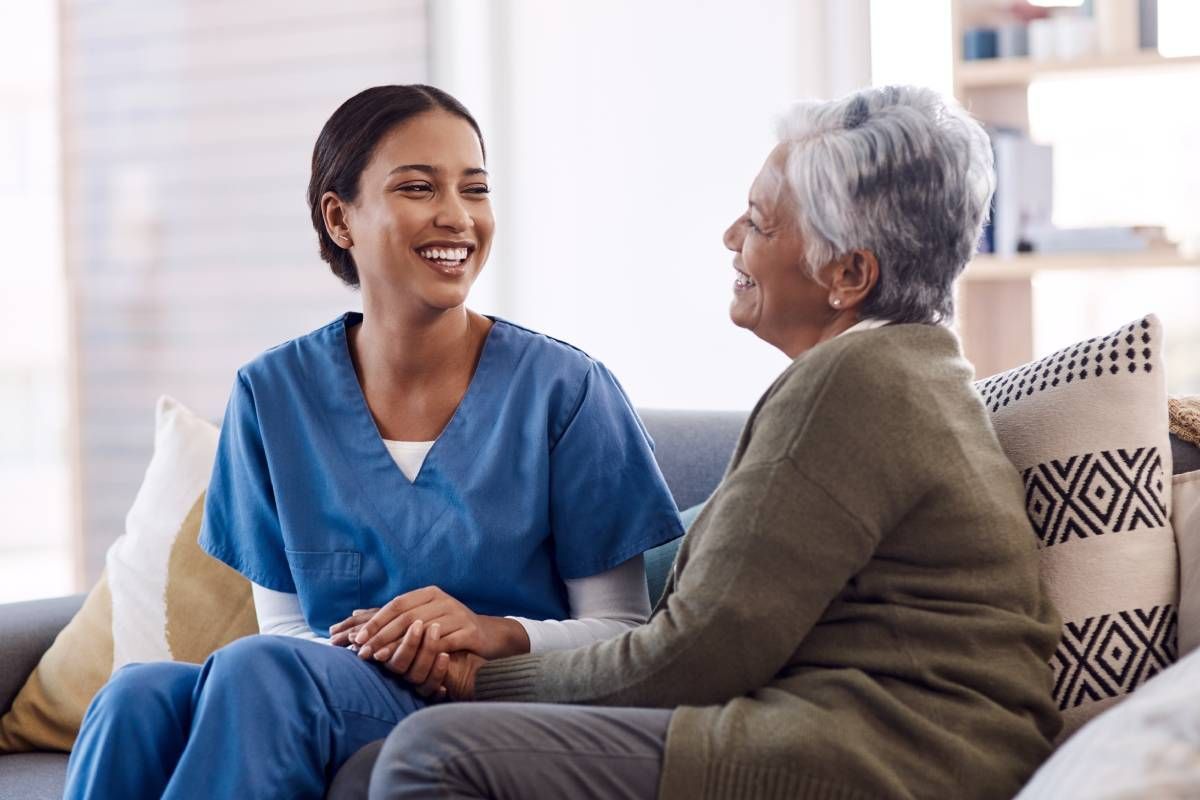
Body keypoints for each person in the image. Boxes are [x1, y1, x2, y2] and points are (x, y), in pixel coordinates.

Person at [359, 85, 1064, 800]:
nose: (732, 236)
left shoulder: (853, 387)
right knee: (369, 767)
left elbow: (693, 658)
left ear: (848, 274)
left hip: (886, 752)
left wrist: (480, 678)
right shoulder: (908, 370)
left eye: (759, 222)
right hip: (880, 738)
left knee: (434, 753)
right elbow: (723, 605)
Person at [62, 84, 683, 800]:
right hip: (323, 689)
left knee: (258, 670)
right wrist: (379, 649)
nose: (457, 215)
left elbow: (622, 631)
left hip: (491, 701)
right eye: (418, 187)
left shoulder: (567, 390)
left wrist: (488, 632)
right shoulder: (272, 395)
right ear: (340, 218)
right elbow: (290, 628)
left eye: (474, 189)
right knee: (136, 694)